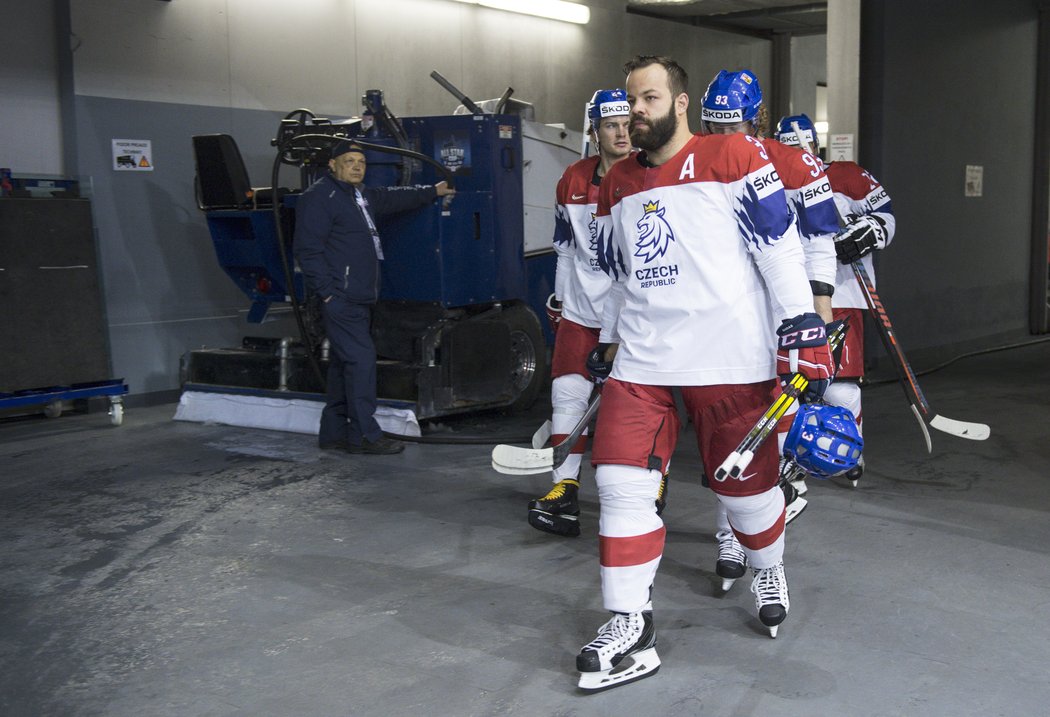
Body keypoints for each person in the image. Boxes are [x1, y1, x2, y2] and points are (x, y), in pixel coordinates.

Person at [574, 55, 833, 692]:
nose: (637, 111)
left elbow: (778, 248)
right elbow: (621, 275)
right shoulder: (617, 184)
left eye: (651, 99)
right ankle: (630, 623)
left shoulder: (735, 159)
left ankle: (767, 565)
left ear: (681, 102)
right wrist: (608, 340)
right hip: (644, 361)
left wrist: (803, 325)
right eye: (632, 101)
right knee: (619, 484)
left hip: (729, 358)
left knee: (744, 494)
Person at [697, 69, 841, 576]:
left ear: (755, 119)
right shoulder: (694, 162)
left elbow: (821, 241)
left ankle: (761, 522)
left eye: (729, 128)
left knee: (767, 428)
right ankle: (731, 534)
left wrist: (820, 312)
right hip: (723, 315)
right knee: (730, 427)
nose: (721, 141)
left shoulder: (795, 164)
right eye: (712, 129)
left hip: (786, 312)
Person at [293, 141, 455, 454]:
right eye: (349, 161)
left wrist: (432, 191)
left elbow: (392, 197)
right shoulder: (319, 198)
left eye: (361, 162)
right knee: (363, 361)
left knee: (345, 365)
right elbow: (308, 251)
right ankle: (365, 435)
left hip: (359, 297)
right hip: (341, 298)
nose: (356, 166)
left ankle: (334, 433)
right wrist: (328, 294)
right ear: (332, 165)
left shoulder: (360, 195)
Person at [527, 89, 634, 537]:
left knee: (638, 406)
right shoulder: (571, 178)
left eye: (628, 123)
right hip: (582, 313)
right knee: (567, 396)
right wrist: (561, 300)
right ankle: (564, 490)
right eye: (612, 125)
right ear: (594, 130)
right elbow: (567, 251)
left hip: (634, 316)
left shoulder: (649, 176)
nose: (623, 132)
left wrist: (615, 333)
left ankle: (651, 484)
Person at [775, 114, 896, 487]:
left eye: (802, 146)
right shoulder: (767, 180)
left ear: (815, 144)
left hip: (840, 296)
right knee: (787, 384)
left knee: (840, 386)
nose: (797, 154)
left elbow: (886, 214)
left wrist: (869, 229)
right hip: (783, 299)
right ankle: (791, 459)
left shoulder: (845, 175)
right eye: (788, 147)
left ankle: (849, 450)